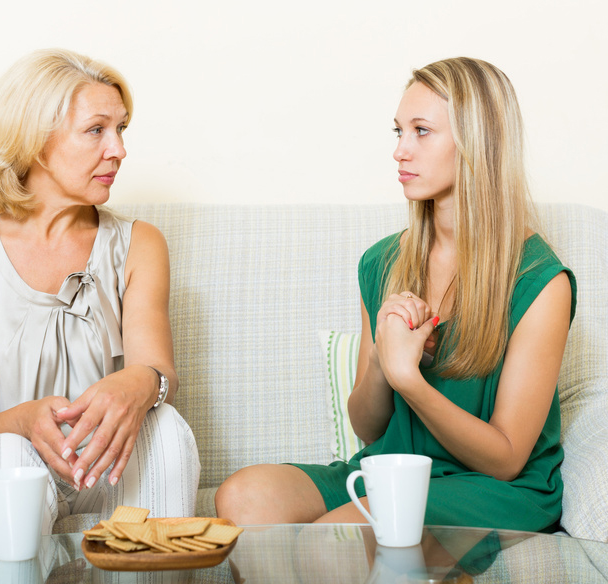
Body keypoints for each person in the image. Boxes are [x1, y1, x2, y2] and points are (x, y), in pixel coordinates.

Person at [215, 57, 575, 533]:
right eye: (398, 131)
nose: (400, 151)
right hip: (396, 466)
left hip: (495, 488)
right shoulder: (383, 262)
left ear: (477, 143)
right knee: (241, 496)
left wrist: (411, 380)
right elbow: (369, 427)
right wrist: (385, 365)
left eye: (422, 131)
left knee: (342, 532)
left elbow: (506, 458)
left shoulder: (540, 281)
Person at [0, 48, 200, 541]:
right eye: (97, 130)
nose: (118, 149)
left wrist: (142, 381)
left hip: (100, 470)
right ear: (34, 142)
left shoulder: (140, 244)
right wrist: (26, 422)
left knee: (168, 429)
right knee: (9, 455)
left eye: (121, 129)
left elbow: (160, 371)